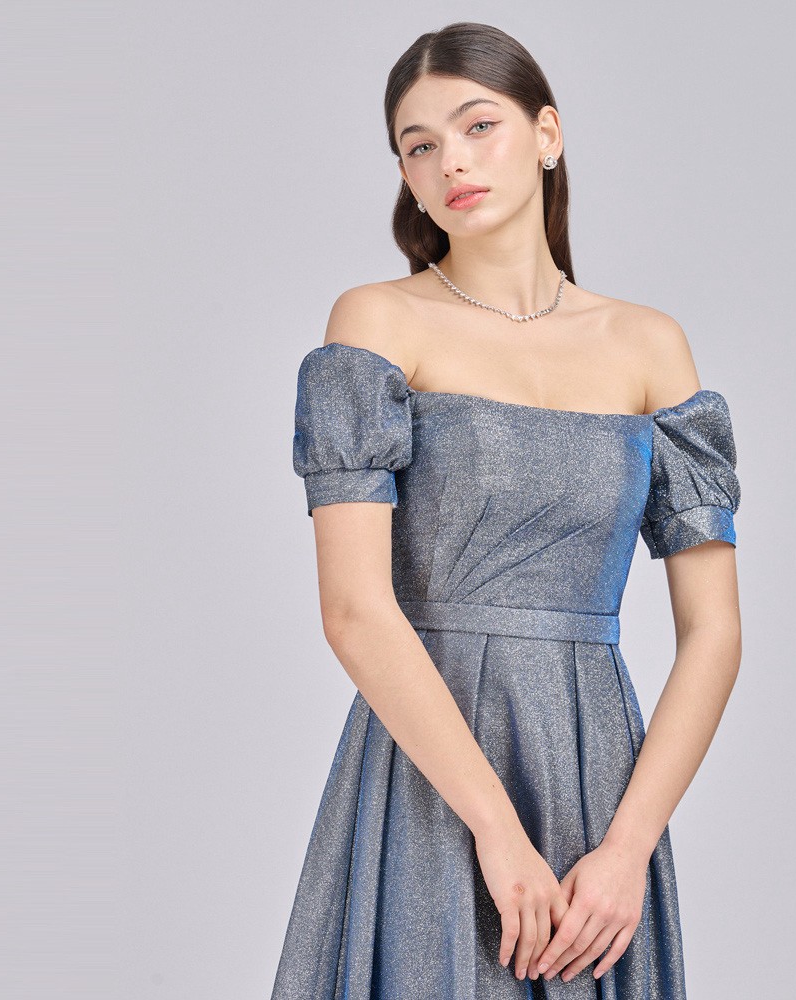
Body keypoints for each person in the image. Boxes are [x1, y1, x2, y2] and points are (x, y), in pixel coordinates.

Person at [270, 21, 742, 1000]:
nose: (450, 161)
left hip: (598, 784)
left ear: (546, 134)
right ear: (405, 177)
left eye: (477, 125)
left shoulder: (649, 344)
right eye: (419, 146)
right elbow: (354, 610)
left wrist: (629, 848)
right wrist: (493, 828)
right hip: (433, 775)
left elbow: (715, 632)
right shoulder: (378, 321)